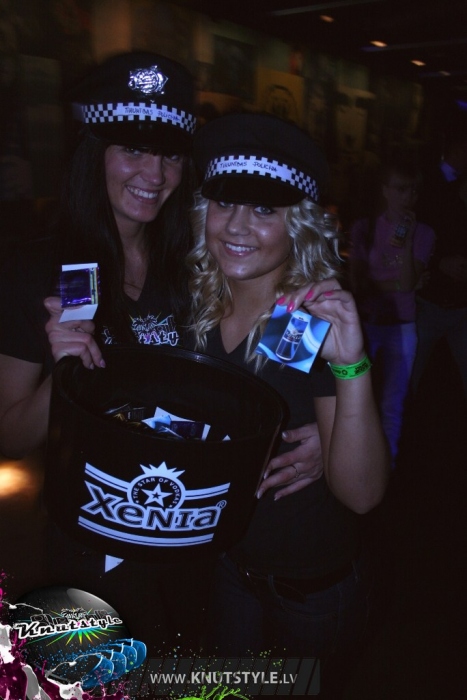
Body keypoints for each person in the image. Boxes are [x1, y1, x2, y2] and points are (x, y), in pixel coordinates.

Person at [187, 113, 391, 696]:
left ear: (297, 225)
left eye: (264, 210)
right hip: (229, 569)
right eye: (225, 203)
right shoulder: (198, 304)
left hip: (310, 592)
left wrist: (352, 365)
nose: (237, 226)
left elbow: (362, 494)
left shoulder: (301, 320)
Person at [349, 160, 435, 464]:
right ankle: (354, 459)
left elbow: (409, 283)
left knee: (393, 403)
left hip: (401, 325)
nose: (408, 197)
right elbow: (358, 282)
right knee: (357, 396)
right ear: (385, 190)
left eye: (414, 191)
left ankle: (385, 466)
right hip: (367, 322)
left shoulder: (423, 233)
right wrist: (394, 283)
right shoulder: (365, 228)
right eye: (401, 189)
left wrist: (408, 242)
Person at [411, 115, 467, 400]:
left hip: (459, 306)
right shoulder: (434, 191)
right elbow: (408, 241)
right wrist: (438, 262)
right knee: (407, 378)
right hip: (430, 302)